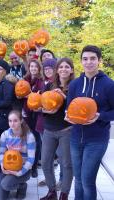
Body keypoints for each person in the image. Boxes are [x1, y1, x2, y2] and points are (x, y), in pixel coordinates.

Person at [65, 45, 114, 200]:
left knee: (87, 180)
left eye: (93, 58)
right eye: (85, 59)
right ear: (81, 61)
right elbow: (69, 108)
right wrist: (68, 116)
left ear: (99, 61)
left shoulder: (109, 85)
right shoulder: (75, 84)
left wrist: (100, 116)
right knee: (78, 179)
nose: (89, 62)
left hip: (97, 140)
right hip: (75, 138)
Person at [40, 58, 75, 200]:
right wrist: (45, 111)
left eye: (67, 67)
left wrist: (64, 97)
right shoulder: (49, 85)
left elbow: (79, 108)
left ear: (71, 70)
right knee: (45, 162)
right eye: (61, 67)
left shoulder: (75, 86)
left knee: (66, 163)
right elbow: (41, 104)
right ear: (57, 69)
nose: (63, 69)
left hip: (66, 130)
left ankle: (64, 193)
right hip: (49, 129)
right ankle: (52, 191)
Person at [0, 110, 36, 200]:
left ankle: (22, 186)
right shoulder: (5, 135)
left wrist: (19, 173)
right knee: (0, 197)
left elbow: (31, 159)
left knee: (5, 185)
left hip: (22, 168)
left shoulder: (29, 137)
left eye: (15, 121)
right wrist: (3, 165)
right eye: (10, 121)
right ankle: (10, 183)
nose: (12, 124)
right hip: (8, 166)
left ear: (21, 121)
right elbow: (2, 152)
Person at [22, 59, 44, 178]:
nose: (33, 68)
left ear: (39, 68)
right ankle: (26, 165)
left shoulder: (41, 81)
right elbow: (19, 93)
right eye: (31, 66)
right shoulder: (25, 80)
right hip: (26, 113)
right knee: (26, 141)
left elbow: (43, 96)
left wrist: (32, 95)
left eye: (36, 67)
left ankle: (34, 167)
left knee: (36, 141)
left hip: (37, 114)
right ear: (29, 68)